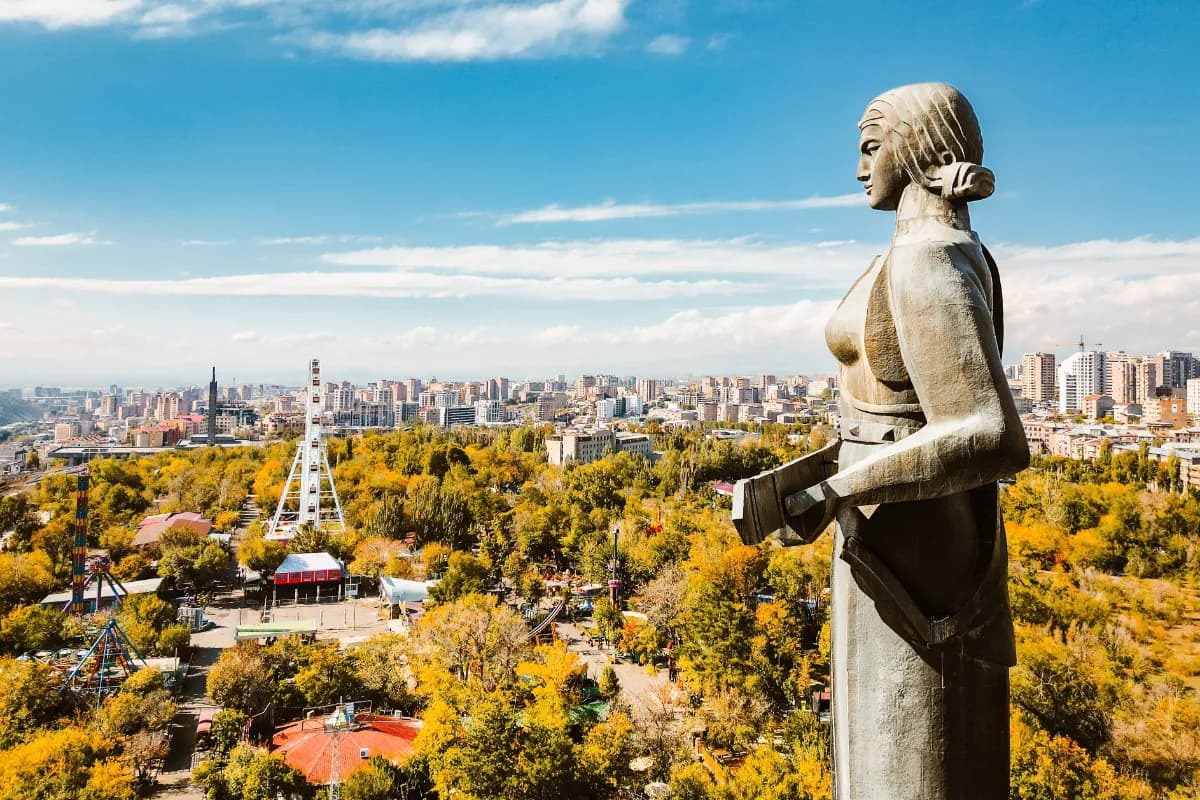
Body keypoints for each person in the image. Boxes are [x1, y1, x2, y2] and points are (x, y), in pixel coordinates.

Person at [773, 83, 1029, 799]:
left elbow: (991, 435)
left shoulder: (929, 258)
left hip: (915, 552)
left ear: (916, 146)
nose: (859, 167)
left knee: (905, 746)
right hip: (896, 533)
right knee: (879, 735)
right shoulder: (928, 250)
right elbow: (888, 414)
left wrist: (835, 490)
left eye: (870, 146)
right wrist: (817, 478)